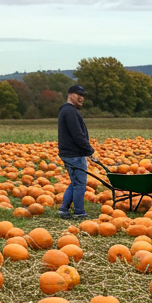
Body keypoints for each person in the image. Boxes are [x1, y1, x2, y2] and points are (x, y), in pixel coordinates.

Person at [57, 83, 94, 219]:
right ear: (70, 95)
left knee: (75, 182)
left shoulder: (66, 111)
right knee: (80, 184)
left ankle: (64, 209)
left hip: (69, 153)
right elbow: (78, 135)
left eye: (83, 96)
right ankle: (79, 212)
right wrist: (89, 151)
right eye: (79, 95)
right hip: (74, 154)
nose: (81, 98)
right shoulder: (70, 112)